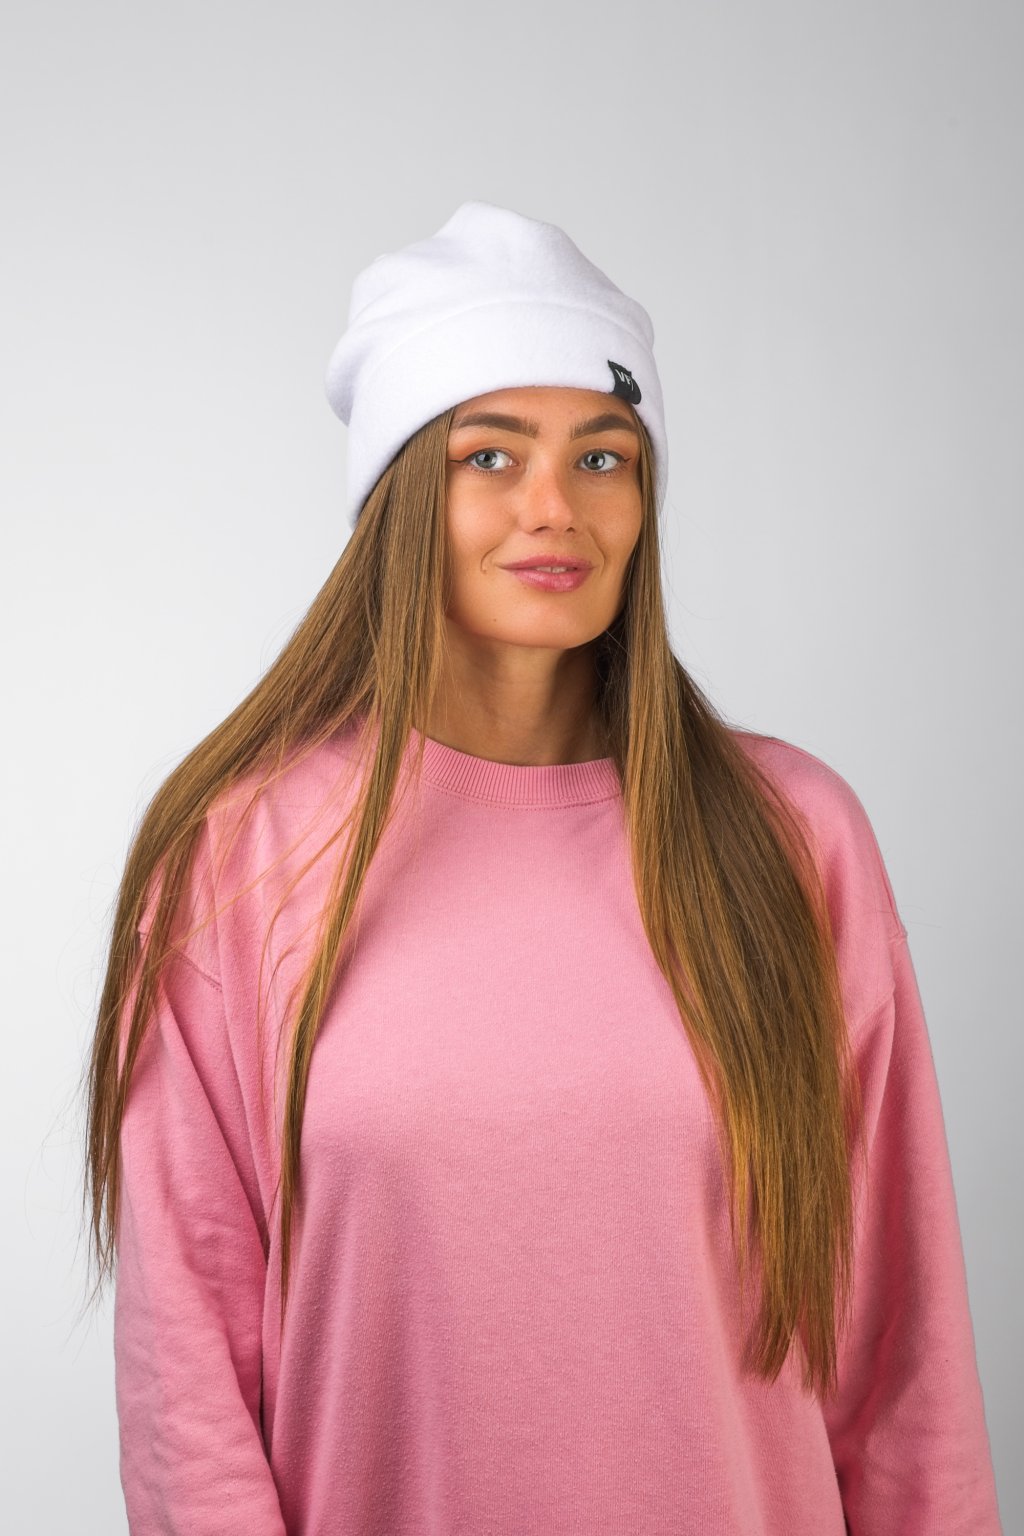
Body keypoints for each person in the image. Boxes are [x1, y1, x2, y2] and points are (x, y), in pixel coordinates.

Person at [82, 199, 1004, 1534]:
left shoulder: (795, 836)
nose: (554, 508)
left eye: (603, 456)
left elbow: (902, 1359)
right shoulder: (240, 857)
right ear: (404, 495)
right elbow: (190, 1392)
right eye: (491, 455)